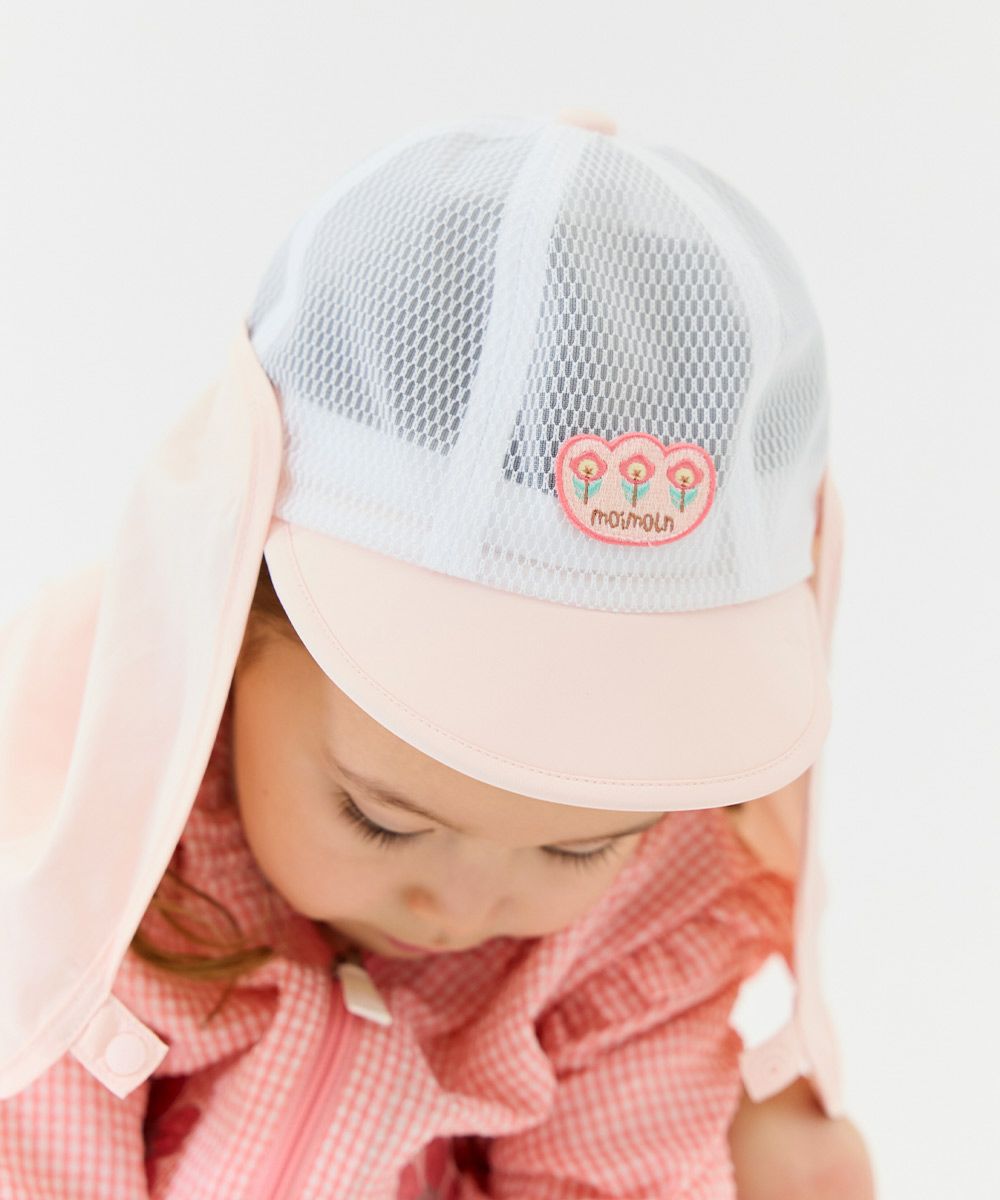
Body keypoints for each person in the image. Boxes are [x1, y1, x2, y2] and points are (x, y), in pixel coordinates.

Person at [0, 109, 875, 1197]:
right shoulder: (104, 843)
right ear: (235, 624)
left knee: (795, 1164)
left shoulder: (645, 925)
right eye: (383, 819)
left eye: (578, 849)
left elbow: (609, 1178)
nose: (458, 909)